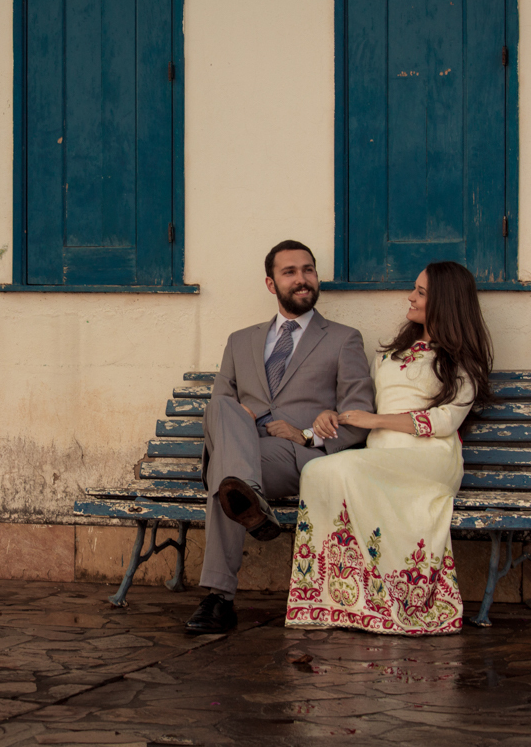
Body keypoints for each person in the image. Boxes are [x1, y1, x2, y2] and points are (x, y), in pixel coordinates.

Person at [285, 261, 493, 635]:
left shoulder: (461, 361)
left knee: (341, 468)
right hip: (380, 455)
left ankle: (394, 599)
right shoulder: (390, 355)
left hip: (428, 456)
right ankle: (341, 600)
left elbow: (446, 421)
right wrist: (333, 416)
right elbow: (361, 407)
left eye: (421, 293)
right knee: (316, 470)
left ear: (444, 303)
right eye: (415, 289)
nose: (410, 297)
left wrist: (376, 421)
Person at [185, 240, 375, 634]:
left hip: (294, 456)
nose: (302, 279)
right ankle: (247, 496)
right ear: (271, 284)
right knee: (221, 410)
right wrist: (245, 419)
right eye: (290, 272)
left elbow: (358, 419)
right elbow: (220, 412)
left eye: (308, 270)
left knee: (225, 477)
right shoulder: (240, 341)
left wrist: (305, 434)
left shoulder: (343, 339)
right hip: (246, 448)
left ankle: (219, 599)